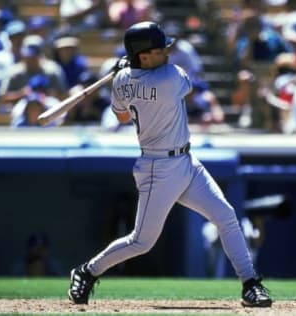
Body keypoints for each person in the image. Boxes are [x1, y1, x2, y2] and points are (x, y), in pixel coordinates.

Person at [67, 21, 272, 308]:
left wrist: (125, 75)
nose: (167, 53)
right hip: (157, 168)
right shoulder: (171, 77)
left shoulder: (121, 82)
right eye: (160, 49)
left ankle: (251, 284)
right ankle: (87, 271)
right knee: (141, 242)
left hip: (186, 163)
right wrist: (130, 72)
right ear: (144, 56)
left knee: (226, 217)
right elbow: (186, 85)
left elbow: (122, 117)